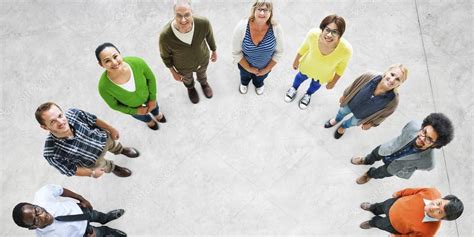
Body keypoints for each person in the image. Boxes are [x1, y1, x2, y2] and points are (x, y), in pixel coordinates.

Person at [35, 102, 140, 178]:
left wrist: (110, 128)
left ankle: (121, 150)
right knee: (104, 166)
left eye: (60, 116)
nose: (61, 122)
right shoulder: (51, 153)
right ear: (45, 127)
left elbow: (94, 120)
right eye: (53, 121)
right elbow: (70, 170)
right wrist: (92, 173)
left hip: (102, 139)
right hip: (92, 160)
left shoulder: (74, 114)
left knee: (114, 145)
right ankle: (115, 168)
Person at [351, 113, 454, 184]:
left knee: (380, 173)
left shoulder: (429, 162)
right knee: (374, 154)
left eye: (429, 139)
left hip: (394, 167)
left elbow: (422, 167)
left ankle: (369, 174)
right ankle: (366, 160)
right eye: (424, 132)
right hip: (389, 148)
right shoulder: (412, 126)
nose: (421, 138)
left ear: (435, 145)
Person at [284, 14, 352, 109]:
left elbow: (341, 69)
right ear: (323, 29)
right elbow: (303, 48)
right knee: (300, 77)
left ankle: (308, 94)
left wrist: (333, 82)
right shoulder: (313, 35)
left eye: (334, 32)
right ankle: (294, 88)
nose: (329, 35)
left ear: (340, 34)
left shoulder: (346, 50)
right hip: (307, 66)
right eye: (327, 30)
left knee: (315, 84)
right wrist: (296, 61)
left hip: (322, 74)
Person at [324, 64, 408, 139]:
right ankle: (337, 119)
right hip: (351, 103)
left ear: (399, 84)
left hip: (362, 115)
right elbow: (355, 84)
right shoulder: (369, 76)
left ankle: (343, 126)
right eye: (392, 74)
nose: (392, 80)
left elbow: (384, 116)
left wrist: (372, 124)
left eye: (397, 79)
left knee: (352, 122)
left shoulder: (393, 100)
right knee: (342, 111)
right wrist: (345, 95)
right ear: (386, 72)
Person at [96, 42, 166, 131]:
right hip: (133, 108)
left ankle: (157, 115)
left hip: (149, 97)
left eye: (115, 56)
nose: (114, 62)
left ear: (120, 54)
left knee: (155, 107)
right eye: (107, 61)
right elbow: (114, 105)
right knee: (142, 117)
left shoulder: (138, 63)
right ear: (101, 64)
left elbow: (151, 79)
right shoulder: (103, 87)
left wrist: (152, 99)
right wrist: (135, 111)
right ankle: (149, 121)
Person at [159, 0, 217, 104]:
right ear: (174, 15)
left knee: (202, 74)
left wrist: (214, 50)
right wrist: (173, 72)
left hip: (202, 59)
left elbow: (210, 36)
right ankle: (190, 88)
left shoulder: (203, 23)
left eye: (187, 14)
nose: (183, 20)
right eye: (179, 15)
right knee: (187, 79)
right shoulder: (165, 36)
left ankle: (204, 84)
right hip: (183, 67)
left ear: (192, 13)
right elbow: (165, 56)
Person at [12, 184, 127, 237]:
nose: (43, 216)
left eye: (37, 210)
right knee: (101, 232)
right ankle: (109, 231)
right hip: (85, 232)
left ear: (34, 204)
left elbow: (60, 190)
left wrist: (81, 198)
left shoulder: (42, 195)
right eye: (36, 221)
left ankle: (106, 217)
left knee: (98, 215)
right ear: (32, 228)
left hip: (81, 212)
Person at [359, 187, 463, 236]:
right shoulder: (432, 192)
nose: (433, 207)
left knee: (379, 223)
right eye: (439, 203)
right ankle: (372, 207)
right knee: (380, 206)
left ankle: (372, 223)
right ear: (441, 198)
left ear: (442, 219)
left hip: (393, 225)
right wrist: (399, 193)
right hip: (394, 204)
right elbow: (413, 191)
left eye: (439, 212)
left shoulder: (429, 232)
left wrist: (396, 236)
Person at [232, 0, 284, 95]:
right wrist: (248, 68)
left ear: (270, 12)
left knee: (260, 79)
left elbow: (279, 52)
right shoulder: (241, 26)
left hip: (264, 66)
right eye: (259, 9)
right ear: (254, 10)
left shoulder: (276, 28)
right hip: (245, 65)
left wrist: (267, 69)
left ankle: (258, 84)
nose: (262, 13)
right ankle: (244, 83)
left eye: (266, 10)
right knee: (244, 77)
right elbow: (236, 53)